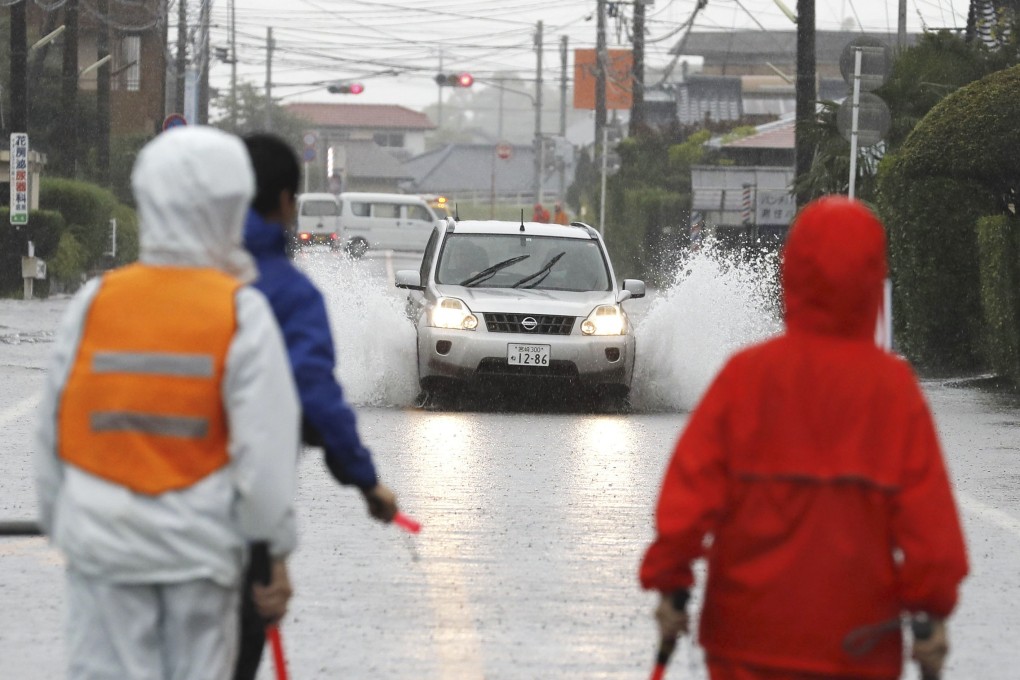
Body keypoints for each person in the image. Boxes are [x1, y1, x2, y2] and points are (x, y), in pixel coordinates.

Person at [640, 196, 968, 680]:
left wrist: (671, 582)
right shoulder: (893, 392)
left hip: (744, 643)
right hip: (858, 648)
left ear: (788, 272)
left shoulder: (745, 378)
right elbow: (930, 527)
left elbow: (688, 498)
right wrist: (932, 611)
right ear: (874, 281)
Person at [35, 126, 300, 679]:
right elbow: (266, 456)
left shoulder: (94, 302)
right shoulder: (242, 313)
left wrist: (69, 525)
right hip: (198, 554)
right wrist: (272, 551)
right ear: (232, 204)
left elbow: (52, 432)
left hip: (102, 546)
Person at [237, 133, 400, 680]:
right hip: (229, 532)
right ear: (287, 202)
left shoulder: (138, 289)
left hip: (121, 531)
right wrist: (364, 480)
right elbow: (310, 399)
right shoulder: (285, 292)